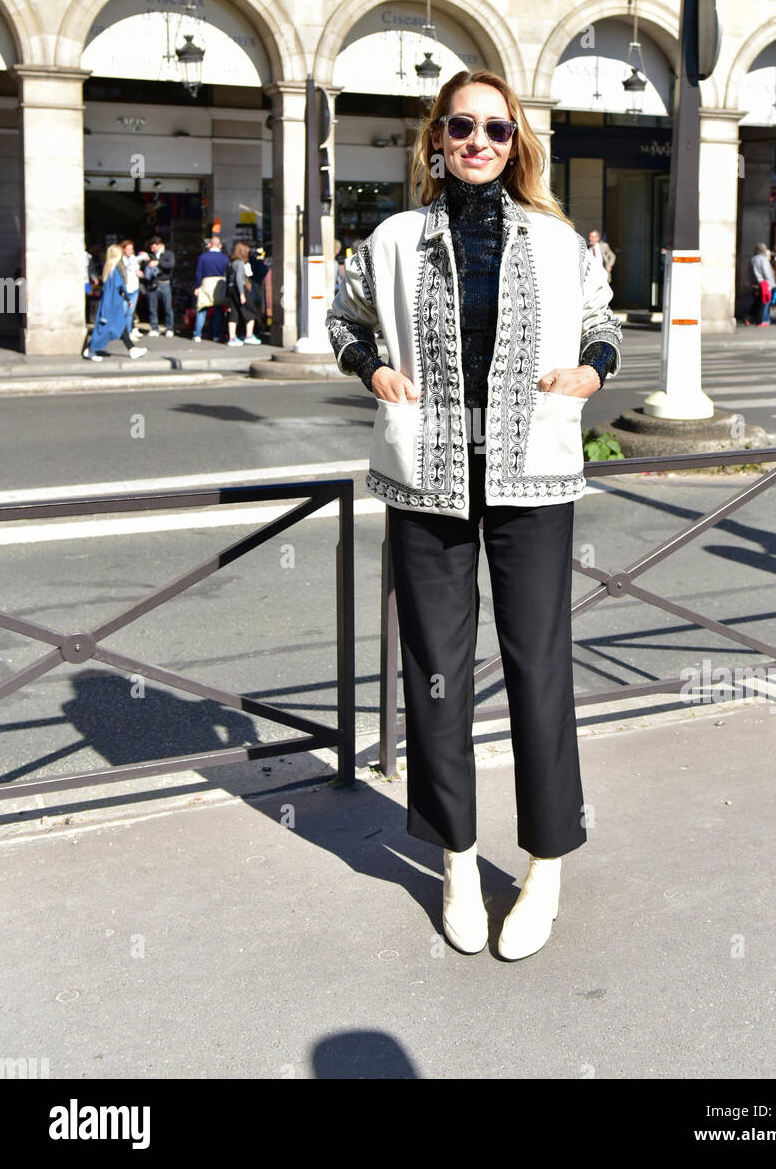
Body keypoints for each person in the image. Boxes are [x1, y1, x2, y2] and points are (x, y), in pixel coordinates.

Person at [326, 69, 622, 962]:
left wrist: (593, 373)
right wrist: (369, 369)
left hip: (532, 477)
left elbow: (605, 326)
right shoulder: (392, 240)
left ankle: (544, 866)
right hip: (430, 476)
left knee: (539, 669)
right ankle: (456, 860)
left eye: (497, 128)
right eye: (461, 125)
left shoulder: (556, 241)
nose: (479, 141)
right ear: (435, 140)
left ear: (518, 141)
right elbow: (344, 319)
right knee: (438, 671)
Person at [82, 244, 148, 361]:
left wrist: (127, 298)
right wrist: (105, 312)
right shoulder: (113, 272)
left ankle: (132, 349)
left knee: (119, 327)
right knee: (104, 329)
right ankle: (90, 349)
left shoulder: (111, 270)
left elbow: (119, 288)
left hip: (114, 304)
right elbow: (115, 290)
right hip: (112, 306)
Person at [193, 230, 228, 341]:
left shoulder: (203, 257)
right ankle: (216, 335)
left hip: (206, 283)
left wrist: (197, 286)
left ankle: (197, 334)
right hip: (220, 284)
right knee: (218, 310)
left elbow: (198, 273)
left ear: (209, 245)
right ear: (220, 246)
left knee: (202, 309)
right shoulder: (225, 258)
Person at [225, 241, 261, 346]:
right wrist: (242, 294)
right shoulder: (240, 263)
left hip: (231, 289)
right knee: (251, 311)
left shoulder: (231, 263)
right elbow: (239, 279)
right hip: (240, 289)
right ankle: (249, 336)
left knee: (234, 313)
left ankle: (232, 338)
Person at [144, 236, 175, 336]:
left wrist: (158, 263)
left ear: (159, 245)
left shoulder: (168, 254)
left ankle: (169, 328)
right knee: (152, 307)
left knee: (167, 307)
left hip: (164, 283)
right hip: (152, 284)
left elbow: (170, 265)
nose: (152, 249)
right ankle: (154, 328)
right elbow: (145, 267)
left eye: (153, 247)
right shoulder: (150, 255)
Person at [746, 242, 775, 326]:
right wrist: (771, 283)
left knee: (757, 303)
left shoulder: (752, 259)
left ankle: (749, 318)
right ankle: (761, 320)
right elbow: (767, 272)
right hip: (764, 284)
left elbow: (750, 273)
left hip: (755, 284)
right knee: (764, 303)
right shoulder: (763, 259)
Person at [120, 239, 143, 339]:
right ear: (123, 249)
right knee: (124, 312)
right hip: (126, 289)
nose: (130, 251)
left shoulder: (133, 258)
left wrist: (140, 273)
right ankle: (124, 333)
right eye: (128, 249)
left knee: (130, 313)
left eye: (132, 249)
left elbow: (137, 270)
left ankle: (128, 332)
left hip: (134, 288)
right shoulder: (121, 261)